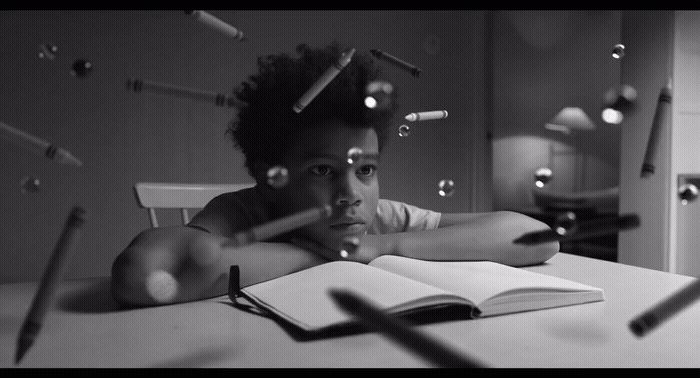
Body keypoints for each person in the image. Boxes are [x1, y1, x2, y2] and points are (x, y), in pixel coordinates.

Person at [111, 42, 559, 307]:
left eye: (365, 169)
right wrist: (321, 257)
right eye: (323, 170)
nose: (350, 193)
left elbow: (537, 236)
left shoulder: (382, 219)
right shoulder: (242, 214)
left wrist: (385, 245)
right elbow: (139, 272)